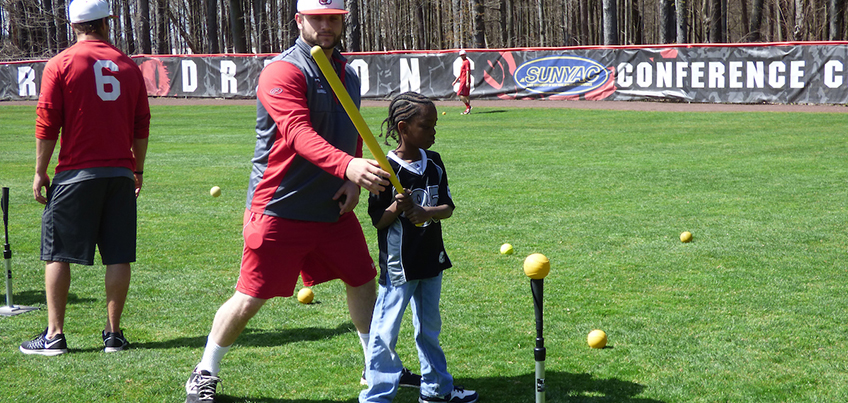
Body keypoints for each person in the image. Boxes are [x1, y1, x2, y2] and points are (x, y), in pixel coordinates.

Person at [184, 1, 418, 401]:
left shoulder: (347, 73)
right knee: (249, 297)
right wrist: (348, 166)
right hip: (280, 206)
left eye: (333, 18)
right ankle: (205, 371)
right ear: (299, 21)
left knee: (362, 281)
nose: (326, 25)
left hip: (331, 206)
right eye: (317, 18)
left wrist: (353, 182)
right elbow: (297, 133)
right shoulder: (283, 70)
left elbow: (352, 127)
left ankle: (375, 366)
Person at [19, 0, 150, 356]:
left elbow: (47, 122)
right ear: (107, 23)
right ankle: (113, 334)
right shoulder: (128, 66)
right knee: (118, 254)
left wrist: (39, 170)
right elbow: (141, 125)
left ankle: (55, 335)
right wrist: (136, 169)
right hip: (120, 173)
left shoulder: (60, 63)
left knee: (58, 254)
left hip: (76, 173)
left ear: (74, 26)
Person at [360, 92, 478, 403]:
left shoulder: (434, 163)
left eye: (434, 126)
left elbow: (448, 207)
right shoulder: (384, 170)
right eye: (426, 126)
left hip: (431, 260)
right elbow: (379, 222)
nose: (433, 132)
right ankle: (376, 396)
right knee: (385, 334)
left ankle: (436, 389)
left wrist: (426, 212)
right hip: (400, 266)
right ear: (403, 127)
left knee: (429, 330)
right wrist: (397, 209)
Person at [451, 50, 472, 115]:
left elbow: (468, 71)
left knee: (459, 93)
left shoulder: (466, 62)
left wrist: (467, 81)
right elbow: (461, 73)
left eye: (463, 55)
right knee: (466, 95)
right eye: (461, 55)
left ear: (465, 55)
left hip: (465, 80)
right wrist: (456, 80)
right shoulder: (463, 62)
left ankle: (468, 107)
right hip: (462, 79)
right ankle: (468, 110)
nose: (462, 56)